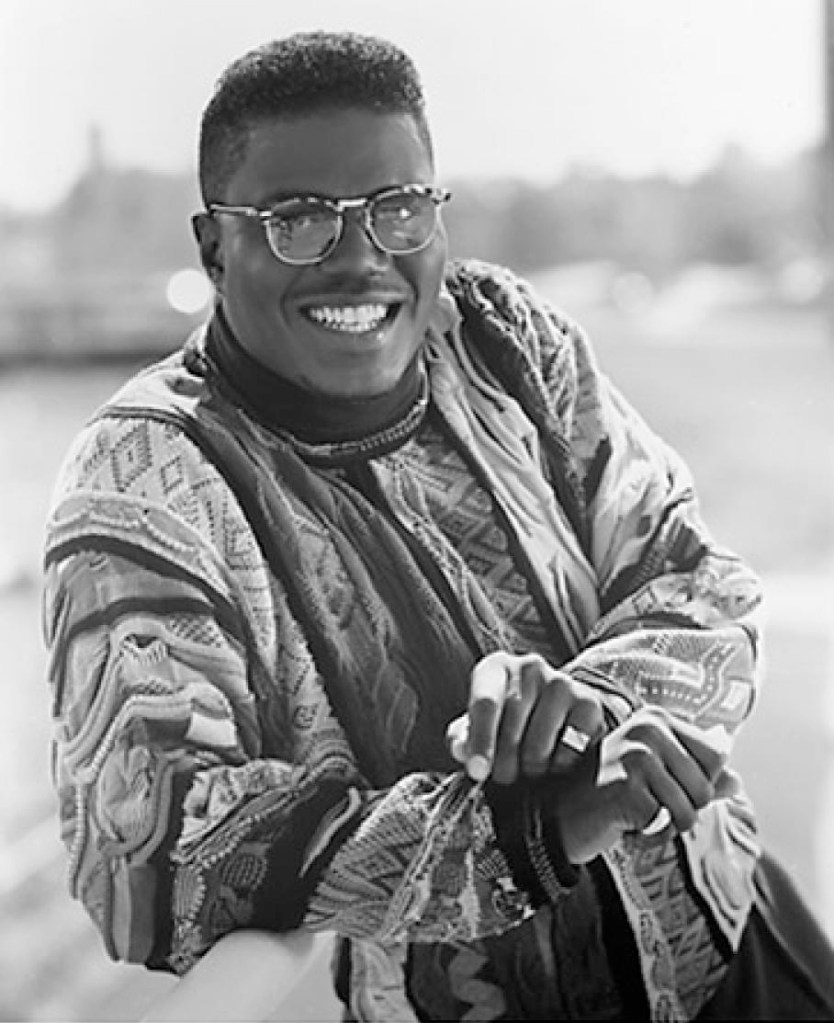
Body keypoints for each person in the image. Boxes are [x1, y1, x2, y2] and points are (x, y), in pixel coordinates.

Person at [42, 30, 834, 1022]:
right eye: (298, 220)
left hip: (741, 948)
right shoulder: (144, 478)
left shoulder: (500, 333)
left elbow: (696, 575)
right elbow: (146, 853)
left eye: (399, 207)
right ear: (212, 247)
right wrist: (534, 823)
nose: (360, 257)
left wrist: (586, 709)